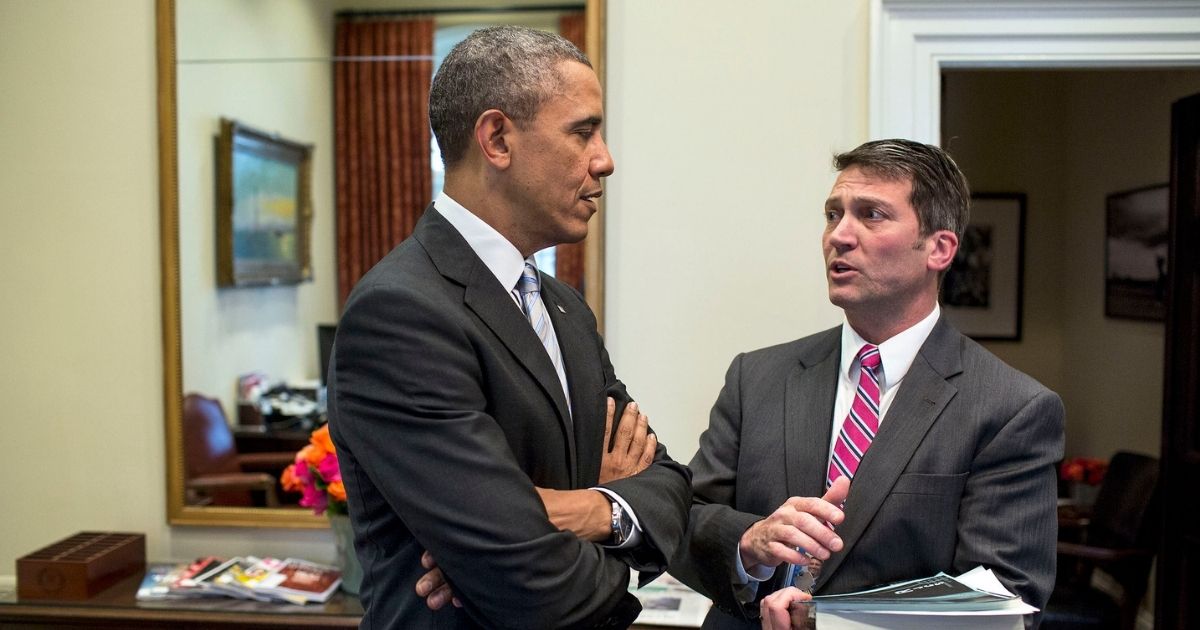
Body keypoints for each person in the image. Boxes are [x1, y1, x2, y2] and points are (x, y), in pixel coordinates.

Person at [327, 26, 691, 629]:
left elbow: (670, 482)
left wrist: (584, 512)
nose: (605, 159)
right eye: (583, 131)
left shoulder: (564, 306)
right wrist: (617, 537)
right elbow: (533, 587)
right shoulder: (400, 313)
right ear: (497, 138)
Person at [670, 139, 1065, 630]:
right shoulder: (757, 377)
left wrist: (826, 622)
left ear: (939, 249)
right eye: (833, 214)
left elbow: (1004, 604)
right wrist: (750, 542)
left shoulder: (1012, 407)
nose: (839, 235)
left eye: (871, 215)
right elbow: (683, 522)